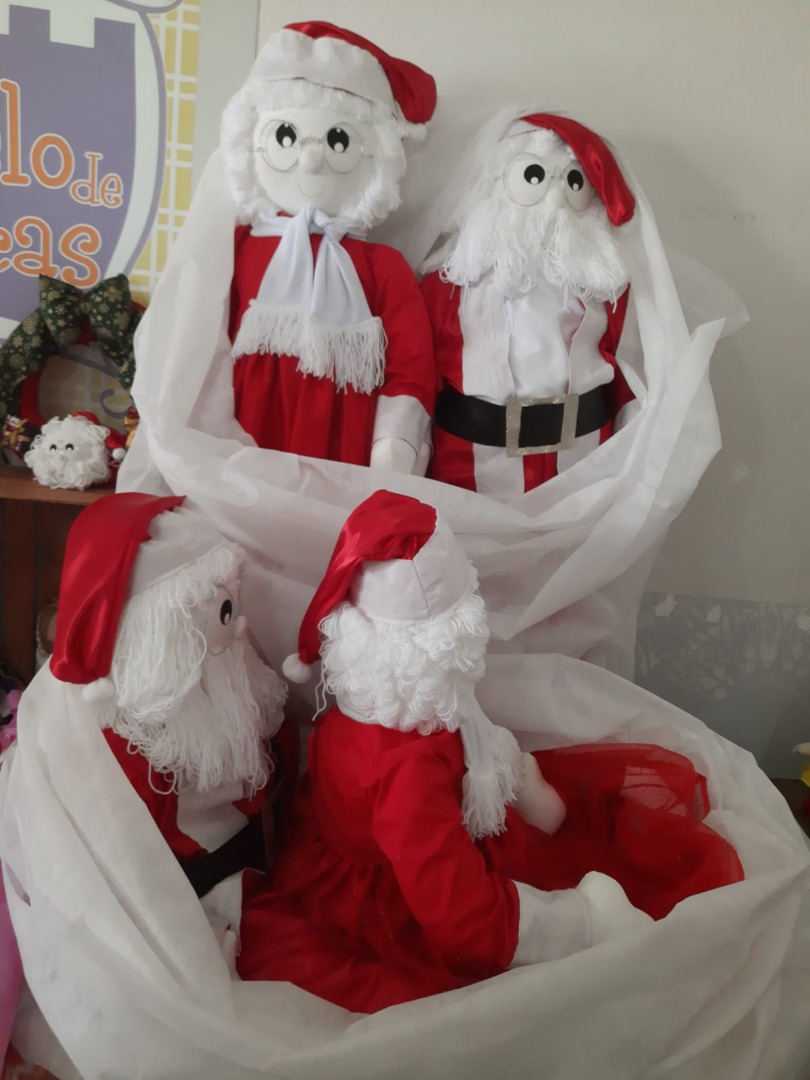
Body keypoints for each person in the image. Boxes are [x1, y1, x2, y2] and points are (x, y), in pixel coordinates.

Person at [237, 490, 744, 1011]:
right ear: (444, 641)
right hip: (405, 893)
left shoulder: (379, 703)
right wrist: (579, 922)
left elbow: (459, 733)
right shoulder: (407, 765)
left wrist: (516, 778)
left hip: (402, 838)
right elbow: (459, 913)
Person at [222, 21, 438, 472]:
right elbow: (200, 347)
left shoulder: (383, 267)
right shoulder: (236, 248)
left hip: (345, 454)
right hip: (241, 444)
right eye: (286, 137)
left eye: (338, 140)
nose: (311, 157)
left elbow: (411, 364)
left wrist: (395, 442)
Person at [422, 113, 643, 495]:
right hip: (470, 468)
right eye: (534, 176)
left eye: (573, 182)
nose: (555, 200)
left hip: (586, 466)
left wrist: (636, 467)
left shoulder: (608, 288)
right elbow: (421, 379)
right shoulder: (445, 285)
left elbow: (632, 382)